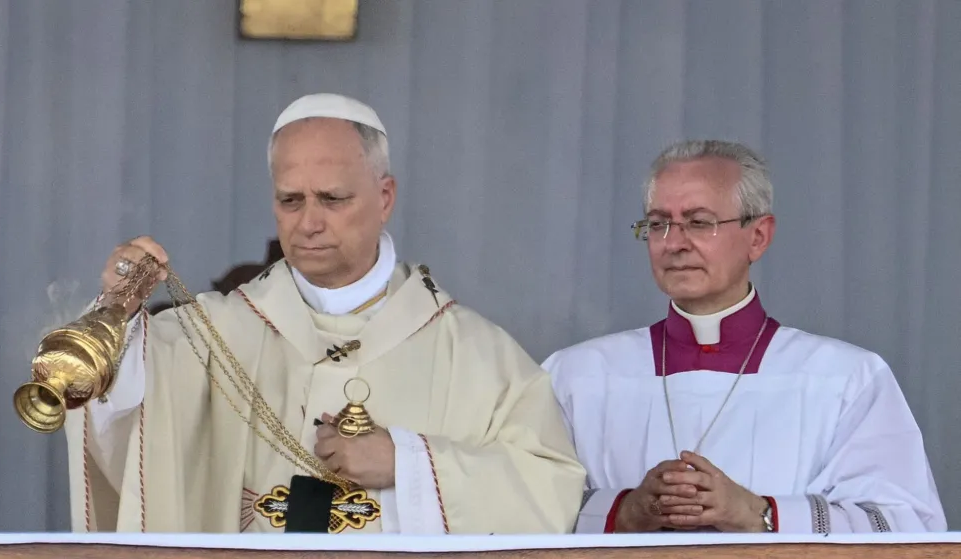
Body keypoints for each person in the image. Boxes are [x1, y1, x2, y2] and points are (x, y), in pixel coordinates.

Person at [64, 93, 585, 534]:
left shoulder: (475, 354)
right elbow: (120, 417)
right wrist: (118, 316)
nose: (309, 222)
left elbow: (550, 487)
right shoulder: (210, 335)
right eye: (291, 200)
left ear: (385, 197)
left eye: (332, 199)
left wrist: (407, 464)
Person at [542, 140, 946, 534]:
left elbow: (904, 525)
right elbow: (516, 509)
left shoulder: (846, 379)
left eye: (699, 222)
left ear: (758, 237)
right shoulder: (576, 375)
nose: (674, 244)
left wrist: (757, 513)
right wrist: (627, 512)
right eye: (658, 223)